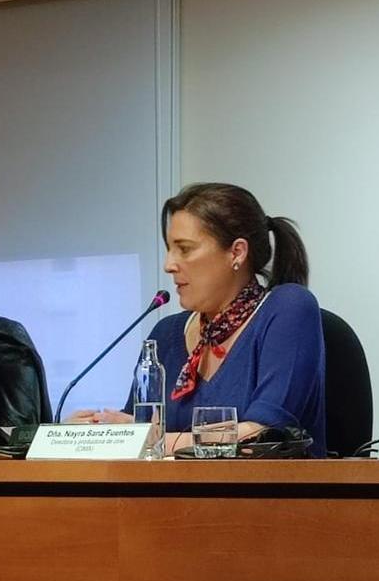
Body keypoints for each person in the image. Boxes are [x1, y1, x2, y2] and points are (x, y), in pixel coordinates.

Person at [71, 183, 327, 457]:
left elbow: (261, 436)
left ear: (237, 253)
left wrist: (154, 439)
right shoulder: (166, 334)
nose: (169, 264)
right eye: (169, 249)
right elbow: (136, 437)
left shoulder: (287, 309)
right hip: (170, 497)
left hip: (268, 497)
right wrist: (91, 433)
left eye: (185, 249)